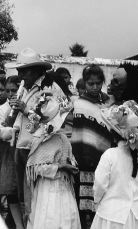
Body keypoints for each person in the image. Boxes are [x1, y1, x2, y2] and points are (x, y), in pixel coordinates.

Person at [91, 100, 138, 229]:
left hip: (110, 215)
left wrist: (97, 201)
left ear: (114, 135)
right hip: (136, 218)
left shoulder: (109, 155)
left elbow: (100, 184)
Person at [4, 48, 53, 221]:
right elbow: (15, 122)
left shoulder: (48, 89)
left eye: (24, 71)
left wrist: (24, 109)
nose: (20, 75)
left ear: (37, 70)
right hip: (22, 146)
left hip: (37, 150)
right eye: (19, 71)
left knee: (36, 196)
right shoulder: (26, 89)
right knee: (23, 195)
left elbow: (48, 119)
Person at [24, 92, 81, 229]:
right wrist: (61, 167)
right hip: (47, 187)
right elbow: (36, 168)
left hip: (64, 186)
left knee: (65, 217)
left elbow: (70, 157)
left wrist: (72, 164)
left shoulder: (63, 138)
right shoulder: (41, 140)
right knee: (49, 217)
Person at [71, 64, 111, 228]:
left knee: (102, 203)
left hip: (106, 157)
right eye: (90, 84)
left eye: (98, 83)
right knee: (84, 203)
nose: (95, 87)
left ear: (103, 82)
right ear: (84, 83)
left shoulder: (109, 102)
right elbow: (78, 132)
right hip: (84, 157)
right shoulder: (80, 103)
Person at [0, 75, 24, 229]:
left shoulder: (24, 106)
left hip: (20, 151)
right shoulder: (2, 108)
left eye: (14, 90)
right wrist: (10, 130)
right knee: (9, 189)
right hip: (5, 152)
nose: (10, 94)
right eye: (7, 91)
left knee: (19, 191)